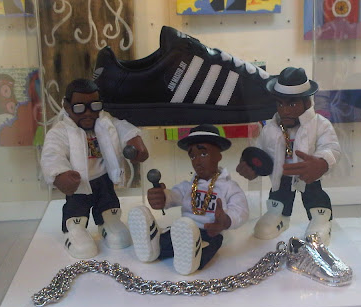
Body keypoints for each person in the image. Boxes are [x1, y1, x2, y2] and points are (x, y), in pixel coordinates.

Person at [40, 78, 148, 259]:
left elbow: (121, 128)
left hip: (103, 178)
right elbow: (52, 153)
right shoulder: (61, 131)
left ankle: (109, 222)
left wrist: (134, 140)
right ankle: (75, 230)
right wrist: (60, 174)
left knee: (108, 204)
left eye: (94, 106)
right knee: (77, 209)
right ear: (66, 106)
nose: (88, 113)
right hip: (79, 182)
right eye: (80, 108)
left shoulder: (105, 122)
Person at [236, 67, 341, 244]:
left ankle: (320, 219)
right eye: (280, 104)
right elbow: (260, 152)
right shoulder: (270, 129)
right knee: (279, 196)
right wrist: (252, 165)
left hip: (308, 176)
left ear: (306, 103)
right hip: (282, 174)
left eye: (292, 105)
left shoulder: (320, 125)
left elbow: (331, 147)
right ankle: (278, 215)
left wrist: (322, 162)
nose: (284, 111)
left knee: (314, 196)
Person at [128, 124, 248, 275]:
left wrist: (226, 220)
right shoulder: (189, 186)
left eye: (203, 154)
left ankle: (192, 257)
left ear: (219, 155)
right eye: (192, 156)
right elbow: (174, 195)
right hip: (184, 230)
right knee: (171, 237)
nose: (197, 161)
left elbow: (241, 210)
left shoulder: (229, 187)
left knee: (208, 247)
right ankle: (153, 244)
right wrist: (162, 196)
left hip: (210, 232)